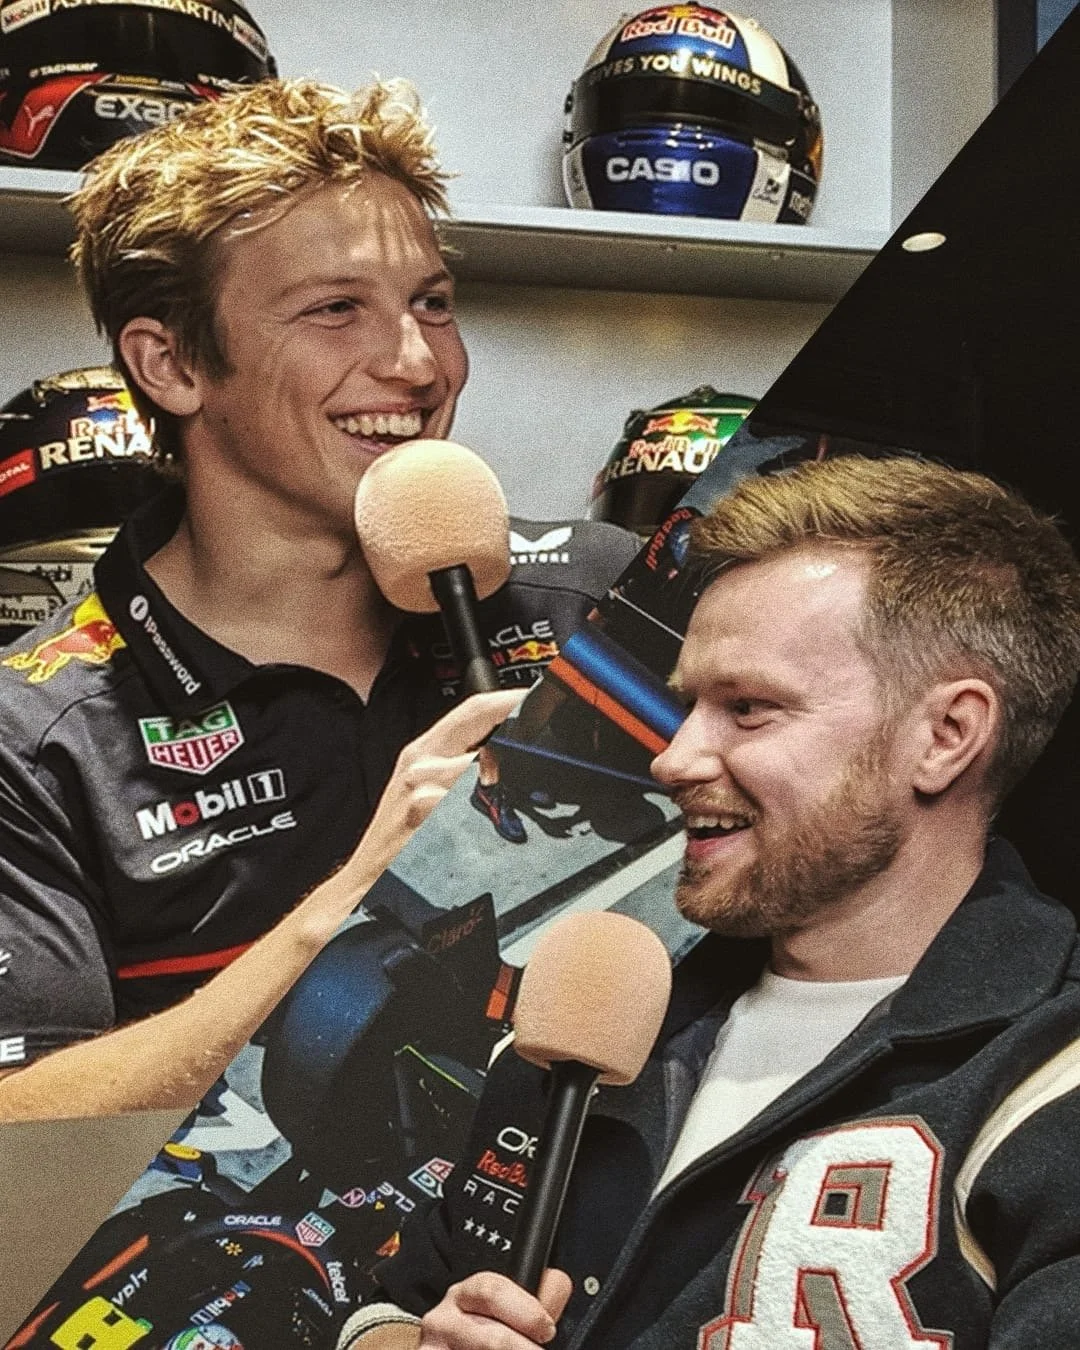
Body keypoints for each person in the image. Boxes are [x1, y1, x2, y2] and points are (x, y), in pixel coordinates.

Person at [0, 79, 636, 1121]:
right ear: (169, 363)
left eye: (432, 301)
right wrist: (359, 896)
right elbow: (21, 1131)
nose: (418, 363)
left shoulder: (596, 597)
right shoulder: (29, 735)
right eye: (336, 309)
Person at [343, 454, 1080, 1349]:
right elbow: (397, 1303)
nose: (673, 757)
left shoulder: (1053, 1083)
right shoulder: (594, 1025)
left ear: (946, 736)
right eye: (690, 704)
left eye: (750, 708)